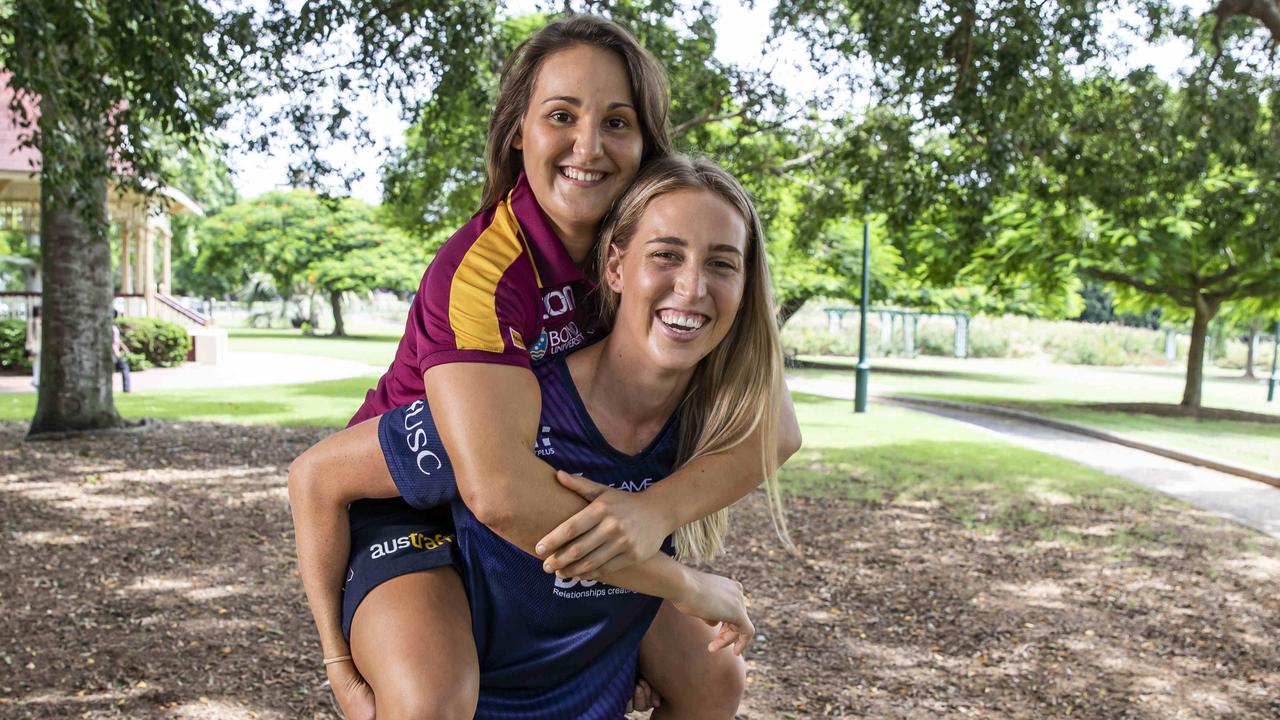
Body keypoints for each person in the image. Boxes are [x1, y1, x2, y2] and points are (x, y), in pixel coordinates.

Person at [287, 15, 801, 719]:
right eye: (562, 115)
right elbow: (496, 491)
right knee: (433, 698)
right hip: (415, 495)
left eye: (617, 121)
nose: (588, 145)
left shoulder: (650, 249)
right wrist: (680, 582)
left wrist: (654, 514)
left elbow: (772, 428)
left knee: (713, 678)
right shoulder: (482, 272)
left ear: (646, 143)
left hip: (542, 501)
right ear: (516, 132)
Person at [111, 310, 132, 393]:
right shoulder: (111, 328)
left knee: (121, 368)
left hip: (115, 351)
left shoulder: (114, 327)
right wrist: (116, 352)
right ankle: (126, 389)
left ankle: (126, 389)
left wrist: (124, 348)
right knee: (123, 367)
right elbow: (111, 341)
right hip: (113, 352)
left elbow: (117, 340)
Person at [25, 305, 39, 388]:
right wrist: (29, 347)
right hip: (35, 346)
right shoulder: (32, 321)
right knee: (36, 363)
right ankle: (36, 380)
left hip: (39, 345)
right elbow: (30, 335)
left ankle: (37, 380)